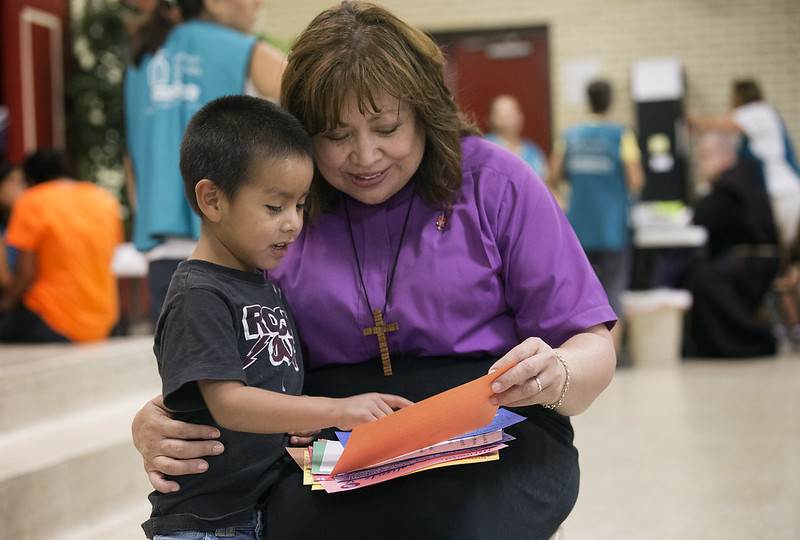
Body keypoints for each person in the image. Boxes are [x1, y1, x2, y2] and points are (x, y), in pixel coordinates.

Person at [132, 3, 617, 538]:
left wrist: (560, 373)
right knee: (291, 524)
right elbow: (224, 337)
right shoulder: (285, 205)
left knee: (456, 519)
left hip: (495, 425)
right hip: (332, 437)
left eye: (387, 127)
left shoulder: (493, 180)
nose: (365, 157)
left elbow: (591, 342)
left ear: (425, 111)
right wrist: (161, 416)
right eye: (336, 137)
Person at [142, 94, 410, 539]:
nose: (293, 223)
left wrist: (297, 429)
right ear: (212, 200)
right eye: (274, 207)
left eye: (300, 204)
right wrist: (333, 410)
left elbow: (271, 386)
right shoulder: (199, 294)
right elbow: (229, 401)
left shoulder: (264, 285)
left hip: (260, 509)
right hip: (207, 523)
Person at [124, 0, 286, 323]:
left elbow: (132, 161)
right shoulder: (245, 51)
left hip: (163, 249)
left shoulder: (141, 61)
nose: (260, 3)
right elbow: (323, 101)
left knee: (185, 367)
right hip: (230, 243)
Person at [547, 79, 645, 356]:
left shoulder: (569, 135)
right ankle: (611, 359)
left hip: (578, 229)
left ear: (587, 101)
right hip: (612, 229)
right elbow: (635, 179)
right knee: (613, 293)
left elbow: (553, 176)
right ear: (610, 102)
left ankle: (581, 357)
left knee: (580, 296)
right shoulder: (621, 135)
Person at [0, 149, 122, 342]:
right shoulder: (104, 199)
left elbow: (26, 274)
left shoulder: (32, 201)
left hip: (51, 321)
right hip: (103, 322)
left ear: (31, 179)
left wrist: (5, 306)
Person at [677, 133, 780, 357]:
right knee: (697, 272)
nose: (702, 162)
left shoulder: (732, 185)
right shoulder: (743, 178)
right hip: (752, 257)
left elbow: (702, 216)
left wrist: (704, 186)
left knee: (704, 281)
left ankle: (753, 340)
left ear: (724, 157)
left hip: (750, 260)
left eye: (706, 156)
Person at [485, 93, 549, 179]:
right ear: (491, 118)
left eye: (514, 110)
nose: (511, 115)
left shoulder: (533, 151)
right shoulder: (484, 148)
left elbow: (544, 182)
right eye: (503, 112)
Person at [0, 162, 27, 290]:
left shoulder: (26, 225)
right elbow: (4, 279)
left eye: (23, 181)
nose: (21, 187)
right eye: (12, 181)